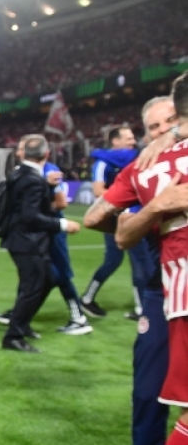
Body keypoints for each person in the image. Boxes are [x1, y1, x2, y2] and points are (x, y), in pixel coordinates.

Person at [83, 87, 188, 445]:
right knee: (148, 392)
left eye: (171, 121)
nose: (163, 130)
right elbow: (96, 219)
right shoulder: (142, 168)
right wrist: (153, 212)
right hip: (160, 289)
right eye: (154, 127)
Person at [0, 135, 92, 336]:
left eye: (21, 148)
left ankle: (78, 317)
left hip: (50, 230)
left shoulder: (48, 169)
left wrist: (46, 206)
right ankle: (20, 315)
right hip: (37, 231)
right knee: (35, 276)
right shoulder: (27, 171)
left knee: (59, 274)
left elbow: (60, 203)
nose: (19, 152)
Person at [81, 126, 148, 319]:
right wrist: (123, 199)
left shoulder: (134, 159)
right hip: (113, 218)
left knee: (136, 260)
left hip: (129, 215)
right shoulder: (102, 164)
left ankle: (140, 307)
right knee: (119, 261)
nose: (133, 141)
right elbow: (98, 191)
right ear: (115, 141)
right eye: (128, 138)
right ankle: (87, 298)